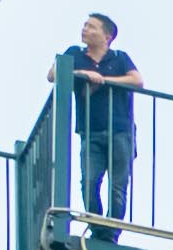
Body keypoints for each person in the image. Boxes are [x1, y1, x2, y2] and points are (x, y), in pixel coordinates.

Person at [49, 13, 139, 238]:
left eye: (91, 27)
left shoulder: (119, 58)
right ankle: (99, 228)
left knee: (118, 187)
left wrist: (104, 80)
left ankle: (111, 234)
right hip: (90, 131)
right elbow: (53, 75)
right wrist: (82, 74)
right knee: (89, 182)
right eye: (85, 25)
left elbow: (137, 81)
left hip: (120, 130)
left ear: (106, 36)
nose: (85, 29)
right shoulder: (75, 54)